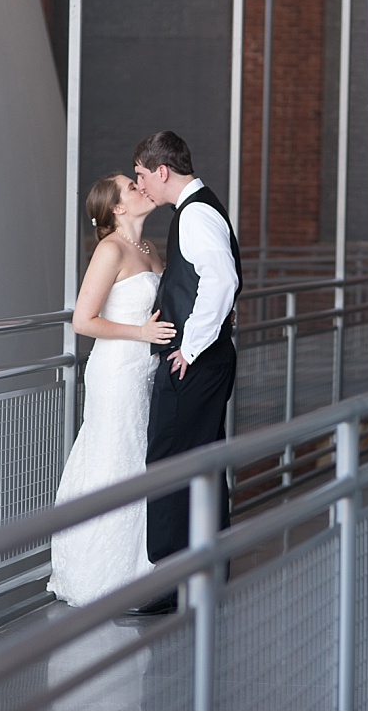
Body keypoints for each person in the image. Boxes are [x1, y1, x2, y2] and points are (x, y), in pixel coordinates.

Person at [47, 173, 174, 612]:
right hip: (118, 370)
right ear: (117, 208)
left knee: (141, 458)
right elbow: (83, 321)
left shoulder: (149, 248)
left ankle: (145, 569)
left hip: (146, 371)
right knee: (114, 458)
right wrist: (140, 332)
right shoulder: (110, 249)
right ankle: (105, 576)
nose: (141, 188)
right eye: (130, 186)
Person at [133, 131, 240, 575]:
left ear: (162, 171)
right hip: (206, 359)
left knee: (167, 461)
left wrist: (189, 349)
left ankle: (172, 579)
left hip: (195, 361)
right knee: (202, 462)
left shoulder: (195, 215)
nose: (140, 186)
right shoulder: (199, 208)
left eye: (141, 175)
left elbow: (221, 280)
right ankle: (207, 569)